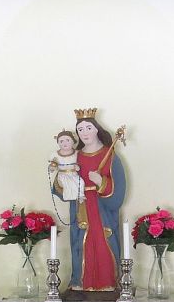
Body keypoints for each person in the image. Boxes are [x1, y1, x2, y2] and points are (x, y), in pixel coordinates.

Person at [60, 112, 125, 291]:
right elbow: (63, 185)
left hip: (102, 209)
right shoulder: (74, 156)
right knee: (81, 243)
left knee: (103, 242)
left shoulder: (109, 155)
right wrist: (62, 178)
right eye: (80, 129)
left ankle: (108, 281)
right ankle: (80, 281)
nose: (84, 132)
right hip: (81, 205)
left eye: (88, 128)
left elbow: (119, 187)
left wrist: (101, 182)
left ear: (97, 129)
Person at [49, 130, 85, 202]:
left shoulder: (77, 153)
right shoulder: (55, 155)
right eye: (61, 141)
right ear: (58, 143)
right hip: (62, 174)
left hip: (74, 174)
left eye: (67, 140)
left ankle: (80, 196)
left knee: (81, 182)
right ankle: (69, 197)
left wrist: (77, 167)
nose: (64, 143)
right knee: (67, 182)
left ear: (73, 141)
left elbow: (80, 164)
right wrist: (52, 167)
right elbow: (52, 167)